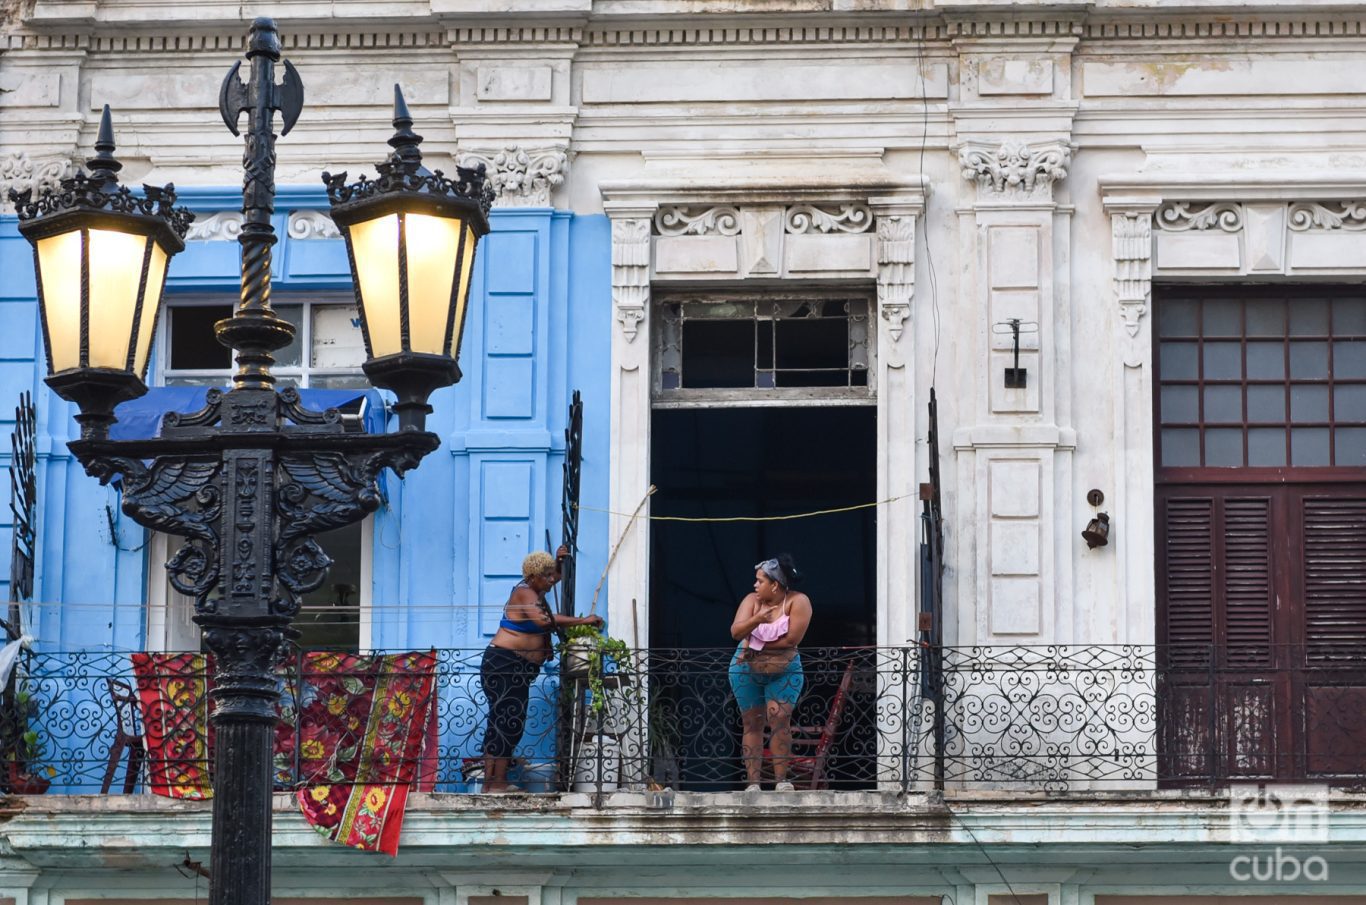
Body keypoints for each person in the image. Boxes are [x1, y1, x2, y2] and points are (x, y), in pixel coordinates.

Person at [480, 546, 603, 792]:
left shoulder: (536, 590)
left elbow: (556, 577)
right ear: (533, 577)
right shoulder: (525, 592)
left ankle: (491, 782)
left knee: (503, 720)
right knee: (508, 720)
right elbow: (542, 621)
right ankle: (497, 783)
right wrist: (583, 620)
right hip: (505, 664)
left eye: (551, 576)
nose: (551, 581)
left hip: (514, 667)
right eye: (545, 577)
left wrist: (558, 561)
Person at [727, 553, 812, 791]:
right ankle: (753, 783)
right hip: (745, 670)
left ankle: (781, 781)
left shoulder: (797, 601)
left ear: (775, 585)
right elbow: (736, 631)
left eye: (760, 581)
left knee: (779, 719)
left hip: (784, 671)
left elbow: (791, 640)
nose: (755, 585)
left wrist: (753, 648)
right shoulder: (751, 602)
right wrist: (756, 619)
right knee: (751, 723)